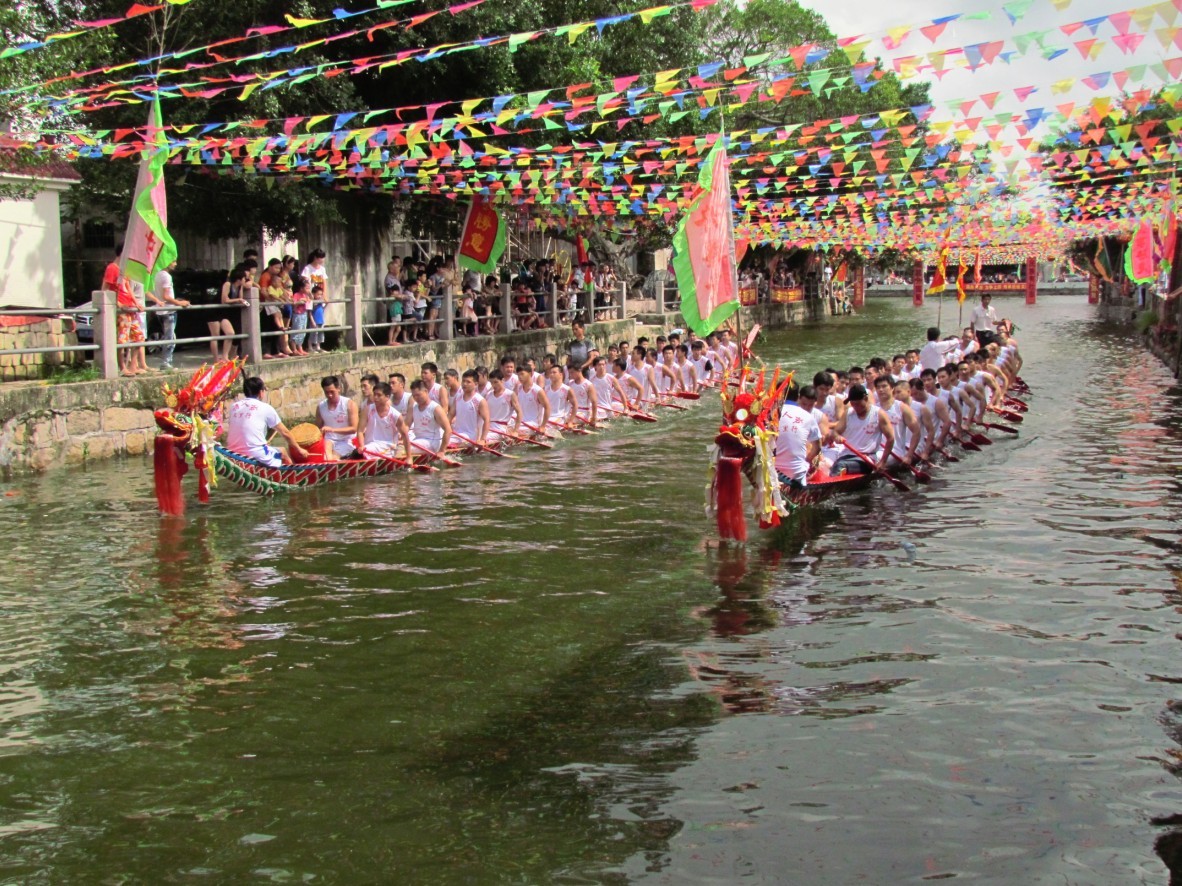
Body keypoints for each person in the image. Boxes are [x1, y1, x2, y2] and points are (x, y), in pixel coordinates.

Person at [225, 376, 307, 465]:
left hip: (232, 453)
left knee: (273, 449)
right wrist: (299, 449)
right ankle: (292, 475)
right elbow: (285, 433)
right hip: (254, 453)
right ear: (261, 392)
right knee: (283, 451)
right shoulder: (266, 408)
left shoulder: (234, 407)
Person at [832, 383, 895, 475]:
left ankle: (833, 488)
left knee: (840, 466)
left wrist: (883, 461)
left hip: (867, 458)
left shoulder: (879, 414)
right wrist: (837, 437)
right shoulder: (848, 413)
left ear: (865, 399)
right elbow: (835, 432)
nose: (855, 407)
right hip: (847, 455)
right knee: (830, 465)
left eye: (857, 404)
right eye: (852, 404)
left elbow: (890, 438)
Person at [775, 382, 822, 489]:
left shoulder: (768, 413)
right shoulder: (808, 416)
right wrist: (808, 460)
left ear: (776, 394)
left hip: (770, 471)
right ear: (798, 397)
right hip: (796, 473)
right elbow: (817, 447)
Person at [149, 258, 190, 371]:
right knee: (170, 337)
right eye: (173, 261)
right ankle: (166, 363)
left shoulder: (156, 275)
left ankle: (166, 362)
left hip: (160, 309)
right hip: (169, 310)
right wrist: (179, 302)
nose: (175, 264)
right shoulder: (166, 276)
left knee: (168, 336)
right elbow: (166, 296)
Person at [355, 381, 413, 461]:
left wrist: (409, 457)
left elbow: (405, 435)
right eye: (374, 394)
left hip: (388, 448)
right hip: (369, 447)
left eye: (379, 395)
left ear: (387, 397)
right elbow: (360, 431)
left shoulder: (395, 415)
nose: (375, 397)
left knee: (357, 454)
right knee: (356, 452)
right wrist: (361, 446)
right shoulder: (367, 410)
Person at [874, 375, 921, 467]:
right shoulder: (874, 409)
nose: (880, 389)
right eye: (878, 387)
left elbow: (916, 432)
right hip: (876, 450)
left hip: (895, 452)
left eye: (884, 386)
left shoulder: (902, 408)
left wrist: (909, 456)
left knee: (871, 460)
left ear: (892, 388)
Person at [315, 375, 359, 461]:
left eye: (332, 392)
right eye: (326, 392)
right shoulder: (320, 407)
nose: (329, 395)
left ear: (338, 389)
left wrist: (332, 430)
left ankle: (343, 458)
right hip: (329, 440)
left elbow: (354, 429)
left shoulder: (349, 404)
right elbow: (318, 429)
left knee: (333, 459)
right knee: (326, 458)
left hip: (346, 440)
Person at [408, 378, 453, 457]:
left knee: (403, 448)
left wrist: (442, 451)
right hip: (418, 440)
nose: (416, 398)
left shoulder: (436, 408)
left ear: (426, 391)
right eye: (414, 396)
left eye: (418, 395)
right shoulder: (413, 407)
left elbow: (448, 430)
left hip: (432, 442)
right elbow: (406, 425)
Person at [448, 370, 490, 448]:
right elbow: (450, 415)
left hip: (471, 436)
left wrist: (483, 439)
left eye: (468, 382)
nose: (464, 384)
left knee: (443, 442)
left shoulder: (480, 401)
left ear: (476, 384)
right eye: (463, 381)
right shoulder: (458, 397)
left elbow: (487, 420)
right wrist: (446, 430)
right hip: (457, 434)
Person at [301, 248, 329, 353]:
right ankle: (309, 345)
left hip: (319, 295)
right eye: (320, 259)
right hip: (311, 296)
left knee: (319, 320)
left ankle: (318, 345)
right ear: (315, 258)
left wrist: (324, 295)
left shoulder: (322, 269)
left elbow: (324, 282)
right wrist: (309, 294)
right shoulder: (308, 268)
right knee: (311, 321)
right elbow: (304, 282)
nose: (321, 261)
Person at [485, 369, 522, 442]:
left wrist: (515, 431)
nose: (493, 385)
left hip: (501, 428)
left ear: (502, 380)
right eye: (491, 382)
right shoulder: (488, 395)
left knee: (482, 438)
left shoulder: (510, 394)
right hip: (488, 426)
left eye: (496, 382)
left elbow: (519, 412)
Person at [515, 365, 551, 435]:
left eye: (522, 374)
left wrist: (543, 426)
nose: (520, 377)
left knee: (514, 432)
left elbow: (547, 407)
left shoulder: (537, 390)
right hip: (521, 422)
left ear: (530, 374)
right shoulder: (518, 388)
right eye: (518, 374)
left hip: (533, 423)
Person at [384, 258, 405, 345]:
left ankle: (393, 340)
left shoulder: (395, 278)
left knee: (398, 327)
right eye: (397, 268)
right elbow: (391, 292)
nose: (398, 269)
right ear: (391, 269)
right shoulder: (389, 279)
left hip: (398, 304)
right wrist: (400, 296)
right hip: (393, 305)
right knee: (393, 325)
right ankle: (390, 341)